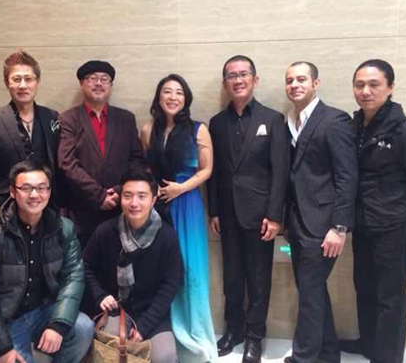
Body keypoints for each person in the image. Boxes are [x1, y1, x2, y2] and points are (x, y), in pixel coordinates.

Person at [0, 160, 93, 363]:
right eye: (26, 188)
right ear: (12, 192)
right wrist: (1, 347)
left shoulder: (63, 228)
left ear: (49, 192)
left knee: (83, 327)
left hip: (44, 309)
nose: (34, 195)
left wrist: (58, 325)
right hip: (7, 319)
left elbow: (73, 277)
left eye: (41, 188)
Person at [339, 59, 406, 363]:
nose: (366, 91)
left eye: (374, 84)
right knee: (365, 288)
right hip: (363, 224)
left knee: (391, 297)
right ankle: (370, 344)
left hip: (394, 226)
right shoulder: (356, 126)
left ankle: (387, 357)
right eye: (359, 84)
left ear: (390, 87)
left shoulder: (405, 132)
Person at [207, 56, 290, 362]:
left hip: (261, 216)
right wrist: (214, 210)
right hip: (227, 215)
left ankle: (255, 337)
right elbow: (214, 172)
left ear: (255, 79)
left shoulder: (273, 119)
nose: (238, 80)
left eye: (244, 74)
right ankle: (234, 331)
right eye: (232, 75)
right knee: (232, 278)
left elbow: (280, 172)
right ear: (225, 82)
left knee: (258, 280)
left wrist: (276, 215)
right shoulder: (217, 123)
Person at [283, 61, 358, 363]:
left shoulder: (335, 120)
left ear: (316, 83)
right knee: (311, 290)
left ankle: (303, 358)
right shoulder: (290, 121)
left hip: (324, 225)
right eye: (290, 80)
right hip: (298, 223)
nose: (295, 85)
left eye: (301, 79)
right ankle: (328, 353)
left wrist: (339, 227)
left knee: (310, 293)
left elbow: (347, 177)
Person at [139, 74, 217, 362]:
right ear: (159, 97)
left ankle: (193, 329)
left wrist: (180, 189)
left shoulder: (199, 129)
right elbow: (146, 168)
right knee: (158, 267)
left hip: (187, 203)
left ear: (186, 99)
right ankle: (163, 328)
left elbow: (207, 170)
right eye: (167, 92)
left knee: (189, 264)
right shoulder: (147, 129)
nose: (173, 97)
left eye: (179, 93)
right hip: (156, 205)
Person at [83, 169, 183, 363]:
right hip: (117, 310)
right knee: (110, 349)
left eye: (142, 196)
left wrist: (144, 326)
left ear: (153, 200)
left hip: (152, 313)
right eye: (127, 196)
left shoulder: (167, 236)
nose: (134, 203)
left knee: (165, 357)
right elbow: (85, 266)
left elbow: (171, 284)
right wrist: (100, 295)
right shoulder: (106, 231)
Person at [58, 60, 145, 248]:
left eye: (104, 79)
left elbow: (137, 160)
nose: (99, 83)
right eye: (92, 78)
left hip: (122, 208)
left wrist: (120, 190)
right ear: (82, 84)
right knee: (86, 262)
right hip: (83, 210)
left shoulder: (126, 118)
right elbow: (67, 163)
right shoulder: (68, 118)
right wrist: (99, 195)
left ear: (110, 86)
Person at [0, 50, 61, 225]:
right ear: (7, 83)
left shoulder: (52, 117)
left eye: (28, 79)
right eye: (16, 79)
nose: (23, 85)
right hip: (7, 206)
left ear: (37, 82)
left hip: (46, 204)